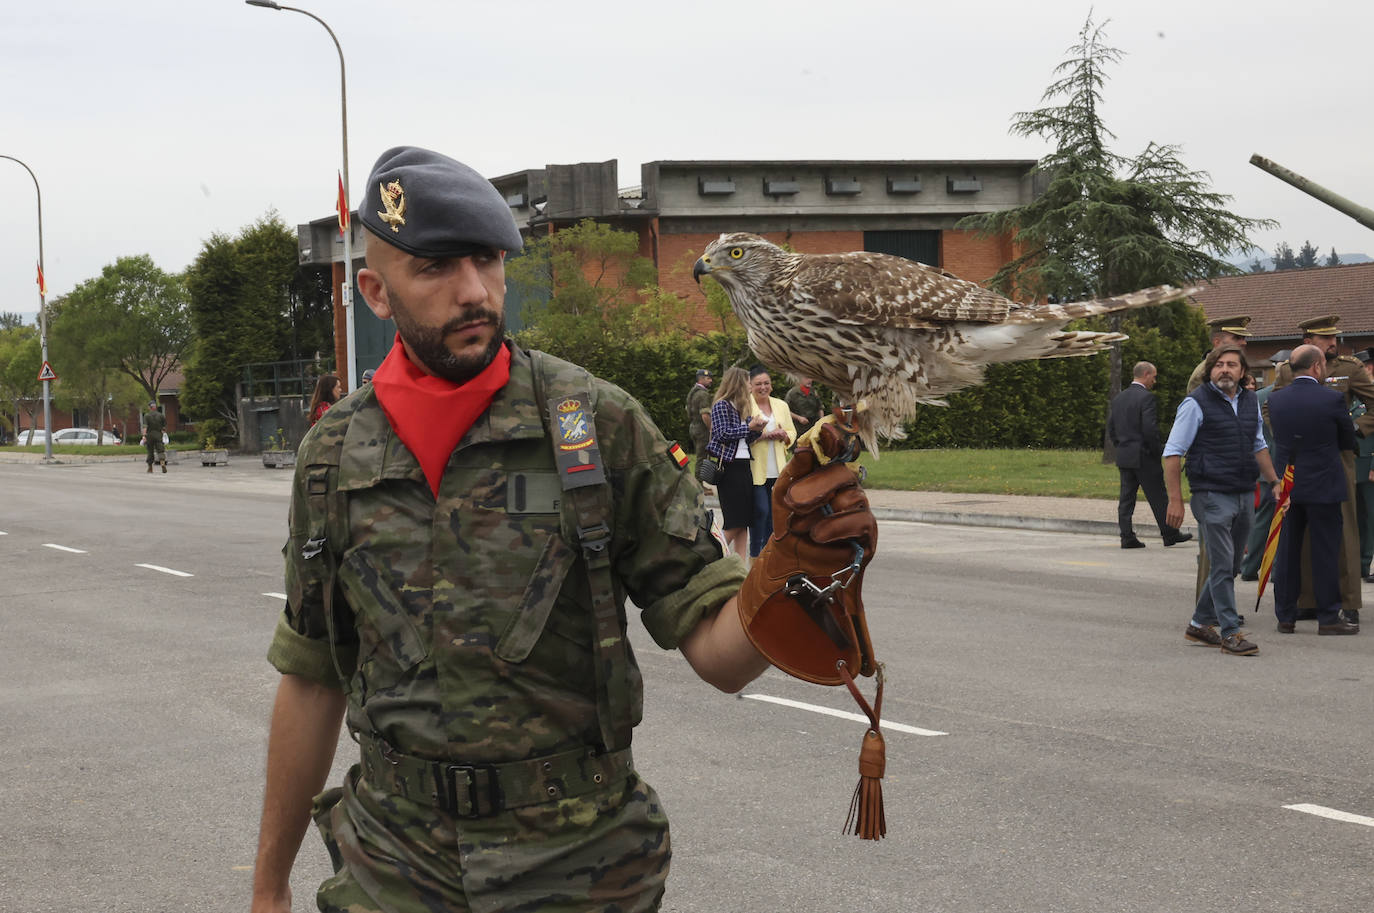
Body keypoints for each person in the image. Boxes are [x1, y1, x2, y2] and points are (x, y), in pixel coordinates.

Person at [250, 147, 870, 913]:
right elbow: (313, 678)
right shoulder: (332, 457)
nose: (473, 290)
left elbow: (720, 654)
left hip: (579, 873)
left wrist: (792, 561)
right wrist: (268, 885)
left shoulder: (597, 425)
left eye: (487, 259)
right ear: (376, 292)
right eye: (436, 267)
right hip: (390, 872)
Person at [1164, 345, 1281, 656]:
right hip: (1212, 495)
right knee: (1221, 563)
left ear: (1243, 372)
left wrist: (1274, 481)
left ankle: (1200, 624)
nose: (1225, 369)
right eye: (1218, 365)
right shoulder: (1195, 403)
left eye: (1231, 365)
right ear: (1209, 370)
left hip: (1244, 492)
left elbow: (1258, 445)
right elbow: (1172, 453)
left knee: (1230, 565)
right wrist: (1175, 501)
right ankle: (1230, 632)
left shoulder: (1248, 401)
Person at [1271, 315, 1374, 626]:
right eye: (1326, 339)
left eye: (1335, 338)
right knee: (1298, 537)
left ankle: (1347, 601)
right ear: (1308, 342)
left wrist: (1357, 430)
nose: (1334, 344)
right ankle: (1308, 601)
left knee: (1342, 533)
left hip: (1337, 459)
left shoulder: (1350, 368)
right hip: (1296, 460)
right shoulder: (1290, 369)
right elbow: (1271, 406)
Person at [1108, 361, 1191, 549]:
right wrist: (1157, 450)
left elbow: (1111, 428)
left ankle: (1126, 536)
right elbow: (1149, 429)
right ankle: (1169, 533)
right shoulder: (1146, 398)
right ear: (1146, 374)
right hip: (1144, 455)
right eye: (1154, 376)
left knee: (1126, 498)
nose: (1155, 380)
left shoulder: (1119, 398)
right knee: (1158, 496)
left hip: (1125, 455)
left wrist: (1121, 445)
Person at [1239, 349, 1291, 580]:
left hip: (1265, 465)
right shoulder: (1288, 396)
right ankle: (1276, 568)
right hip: (1285, 467)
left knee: (1262, 520)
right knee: (1284, 521)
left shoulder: (1258, 396)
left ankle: (1250, 568)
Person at [707, 366, 767, 560]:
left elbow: (746, 439)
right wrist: (748, 427)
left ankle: (740, 568)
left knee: (744, 521)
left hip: (743, 466)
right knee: (734, 521)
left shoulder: (741, 406)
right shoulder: (721, 405)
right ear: (739, 383)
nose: (751, 385)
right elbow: (721, 434)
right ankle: (711, 558)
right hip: (729, 468)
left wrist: (756, 430)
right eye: (748, 382)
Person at [745, 365, 796, 558]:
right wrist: (765, 435)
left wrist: (784, 436)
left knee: (775, 516)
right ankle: (755, 556)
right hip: (755, 469)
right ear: (750, 386)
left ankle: (770, 556)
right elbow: (744, 434)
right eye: (758, 384)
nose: (763, 387)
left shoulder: (781, 405)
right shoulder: (745, 405)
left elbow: (792, 431)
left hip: (778, 469)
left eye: (766, 383)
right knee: (761, 512)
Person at [1186, 314, 1252, 392]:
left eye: (1243, 338)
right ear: (1217, 342)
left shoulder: (1238, 366)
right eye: (1237, 338)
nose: (1244, 343)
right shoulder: (1203, 372)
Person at [1355, 349, 1374, 583]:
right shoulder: (1351, 396)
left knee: (1370, 517)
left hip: (1369, 466)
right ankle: (1357, 564)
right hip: (1351, 465)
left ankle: (1367, 561)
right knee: (1355, 518)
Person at [685, 367, 713, 458]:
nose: (711, 380)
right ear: (701, 379)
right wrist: (711, 429)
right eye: (708, 378)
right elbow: (705, 415)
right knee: (703, 458)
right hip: (702, 429)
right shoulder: (703, 394)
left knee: (700, 456)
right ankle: (700, 473)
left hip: (693, 427)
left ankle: (700, 473)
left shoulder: (692, 392)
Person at [141, 401, 166, 474]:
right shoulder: (161, 415)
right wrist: (163, 434)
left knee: (150, 451)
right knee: (160, 450)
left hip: (150, 436)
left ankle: (150, 467)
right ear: (155, 407)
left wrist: (144, 436)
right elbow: (164, 428)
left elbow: (145, 427)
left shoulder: (147, 416)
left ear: (150, 407)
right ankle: (162, 463)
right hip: (158, 435)